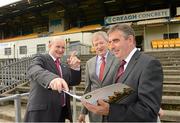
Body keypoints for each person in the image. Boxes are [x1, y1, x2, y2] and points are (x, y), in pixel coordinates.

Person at [82, 24, 163, 122]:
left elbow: (148, 111)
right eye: (110, 42)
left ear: (130, 40)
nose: (111, 47)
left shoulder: (149, 64)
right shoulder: (120, 64)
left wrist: (110, 110)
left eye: (115, 41)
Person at [24, 37, 81, 122]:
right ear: (50, 46)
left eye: (63, 47)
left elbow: (74, 81)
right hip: (42, 114)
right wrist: (52, 79)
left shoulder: (63, 65)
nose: (61, 50)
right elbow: (33, 69)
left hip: (60, 113)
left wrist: (75, 68)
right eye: (58, 46)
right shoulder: (41, 58)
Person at [78, 31, 119, 122]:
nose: (99, 47)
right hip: (95, 112)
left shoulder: (117, 59)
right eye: (96, 44)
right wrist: (83, 112)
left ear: (108, 42)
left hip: (113, 110)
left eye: (101, 43)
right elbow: (87, 89)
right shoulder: (89, 63)